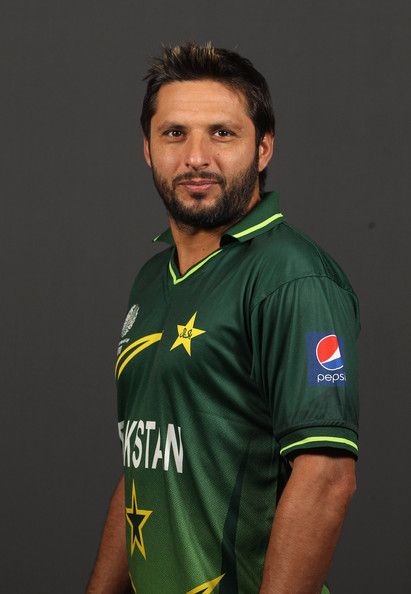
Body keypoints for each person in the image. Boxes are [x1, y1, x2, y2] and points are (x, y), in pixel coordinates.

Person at [86, 42, 359, 594]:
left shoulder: (292, 276)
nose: (196, 157)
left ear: (263, 147)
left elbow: (327, 476)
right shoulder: (152, 280)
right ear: (147, 149)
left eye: (222, 133)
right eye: (174, 133)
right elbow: (145, 466)